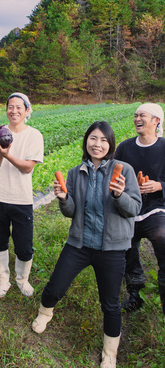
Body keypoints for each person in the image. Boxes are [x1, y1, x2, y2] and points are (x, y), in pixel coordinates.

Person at [32, 121, 141, 368]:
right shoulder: (74, 173)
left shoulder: (123, 170)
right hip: (79, 244)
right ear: (86, 141)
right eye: (93, 138)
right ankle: (44, 313)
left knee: (110, 303)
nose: (98, 144)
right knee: (55, 287)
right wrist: (63, 198)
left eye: (103, 140)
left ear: (110, 144)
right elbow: (70, 212)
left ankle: (109, 353)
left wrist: (119, 195)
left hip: (112, 248)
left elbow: (134, 208)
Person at [0, 92, 44, 298]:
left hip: (21, 199)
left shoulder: (34, 135)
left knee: (24, 245)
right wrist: (0, 155)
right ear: (6, 109)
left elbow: (27, 168)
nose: (14, 111)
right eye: (10, 107)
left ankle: (22, 280)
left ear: (27, 111)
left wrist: (6, 154)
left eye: (19, 107)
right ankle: (3, 281)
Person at [114, 103, 165, 314]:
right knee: (127, 248)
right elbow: (114, 175)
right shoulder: (125, 147)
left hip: (156, 208)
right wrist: (126, 185)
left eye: (142, 115)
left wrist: (160, 185)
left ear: (156, 121)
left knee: (162, 236)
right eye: (135, 115)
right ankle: (135, 295)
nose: (137, 119)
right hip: (129, 208)